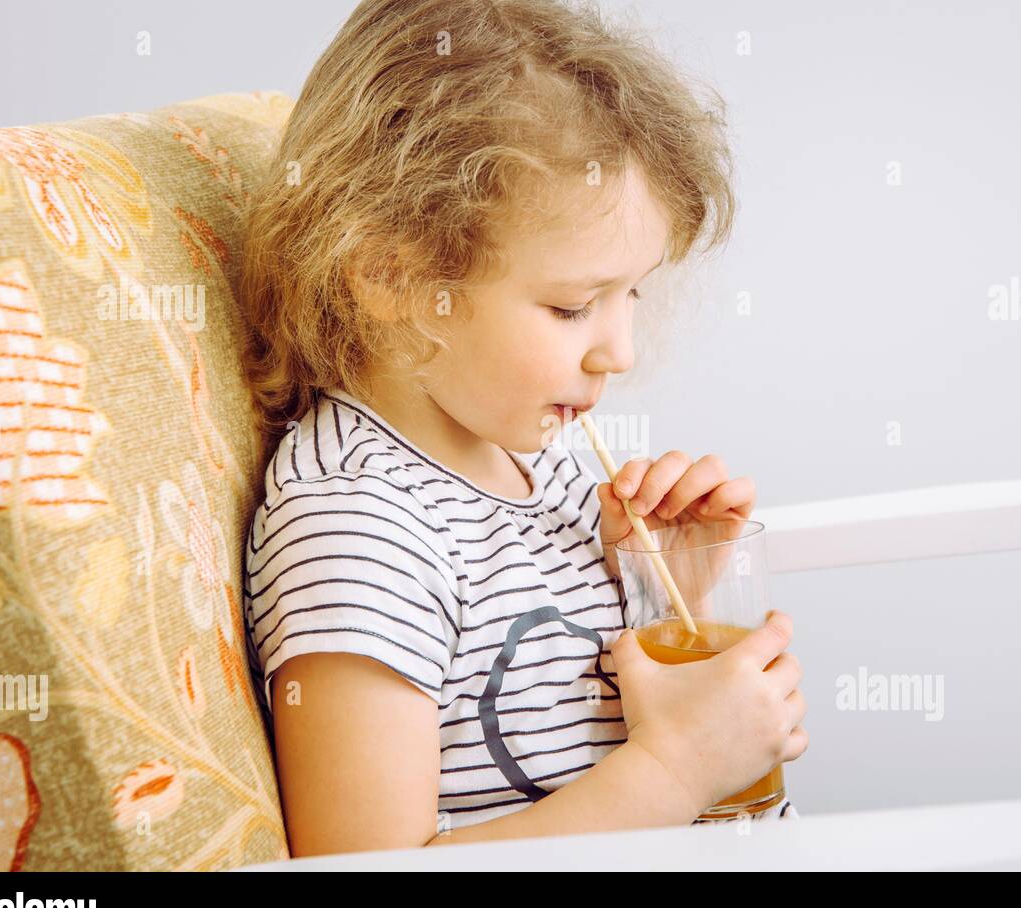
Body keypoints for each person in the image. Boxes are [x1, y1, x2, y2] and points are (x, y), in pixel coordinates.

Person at [239, 0, 806, 857]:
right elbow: (361, 867)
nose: (617, 351)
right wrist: (680, 769)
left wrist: (667, 594)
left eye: (633, 295)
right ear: (395, 278)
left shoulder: (534, 456)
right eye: (574, 305)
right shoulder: (356, 528)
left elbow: (576, 714)